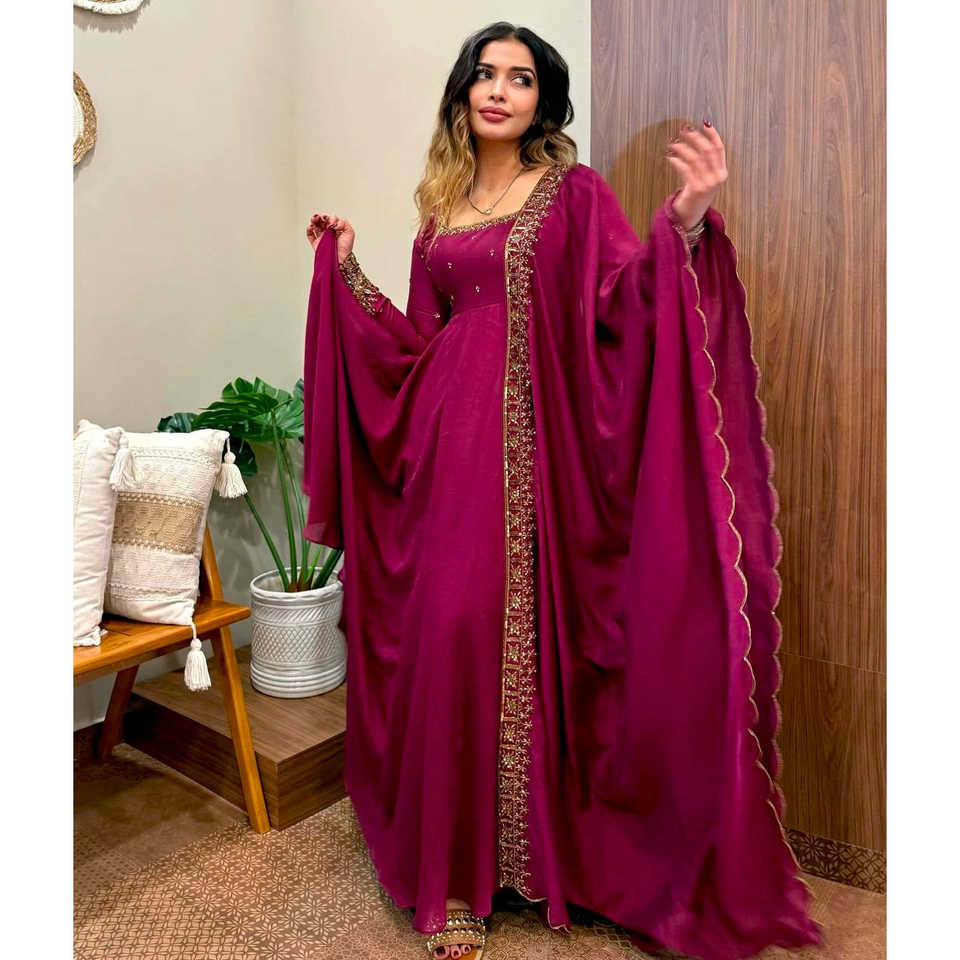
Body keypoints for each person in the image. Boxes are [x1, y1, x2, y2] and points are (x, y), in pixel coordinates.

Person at [300, 20, 824, 960]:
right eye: (485, 74)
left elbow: (625, 300)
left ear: (544, 100)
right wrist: (349, 276)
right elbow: (420, 342)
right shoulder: (439, 210)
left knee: (522, 643)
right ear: (463, 92)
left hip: (543, 458)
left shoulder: (573, 196)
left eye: (522, 78)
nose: (500, 90)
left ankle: (536, 858)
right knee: (448, 637)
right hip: (444, 454)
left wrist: (687, 218)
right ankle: (452, 879)